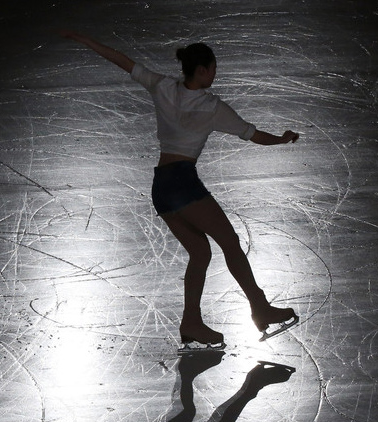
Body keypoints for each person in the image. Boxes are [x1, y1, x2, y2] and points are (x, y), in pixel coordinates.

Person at [59, 31, 300, 349]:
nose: (216, 74)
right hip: (183, 183)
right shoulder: (212, 107)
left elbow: (121, 60)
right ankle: (260, 308)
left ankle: (191, 323)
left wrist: (85, 39)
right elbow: (252, 134)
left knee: (201, 252)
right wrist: (282, 139)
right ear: (202, 69)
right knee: (229, 241)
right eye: (213, 68)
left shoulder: (162, 86)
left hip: (161, 186)